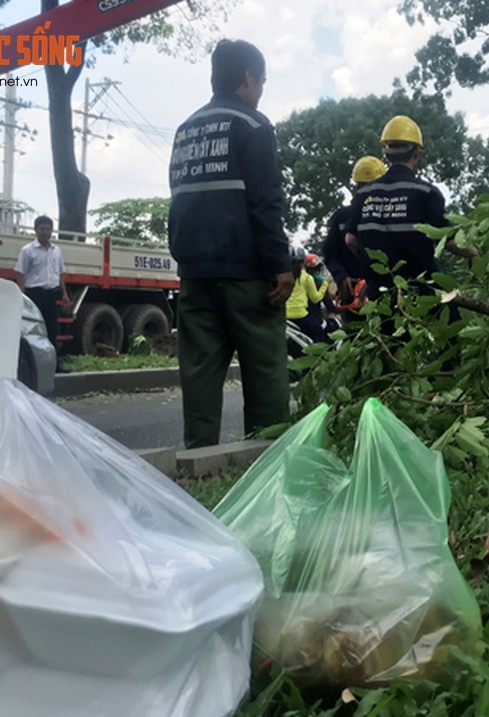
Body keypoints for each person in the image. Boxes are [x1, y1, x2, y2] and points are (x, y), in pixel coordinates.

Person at [168, 39, 293, 449]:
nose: (261, 90)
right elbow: (264, 202)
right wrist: (280, 263)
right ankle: (266, 459)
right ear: (247, 78)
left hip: (195, 272)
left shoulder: (185, 129)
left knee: (200, 371)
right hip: (246, 272)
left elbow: (179, 196)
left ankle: (198, 461)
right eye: (262, 81)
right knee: (265, 371)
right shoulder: (254, 127)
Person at [345, 116, 477, 308]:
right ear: (416, 152)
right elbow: (447, 240)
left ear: (387, 154)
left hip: (379, 296)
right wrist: (473, 253)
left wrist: (370, 261)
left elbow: (350, 239)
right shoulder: (425, 193)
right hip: (421, 293)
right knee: (450, 329)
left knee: (386, 337)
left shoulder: (364, 193)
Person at [324, 155, 386, 323]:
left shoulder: (386, 214)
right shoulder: (342, 216)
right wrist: (341, 276)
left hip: (381, 290)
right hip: (351, 293)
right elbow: (330, 253)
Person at [13, 216, 70, 348]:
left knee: (52, 328)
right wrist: (22, 295)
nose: (45, 232)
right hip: (35, 294)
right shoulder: (28, 250)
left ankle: (55, 361)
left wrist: (64, 293)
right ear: (36, 230)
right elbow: (20, 273)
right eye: (42, 229)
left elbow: (60, 273)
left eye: (48, 229)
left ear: (52, 231)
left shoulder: (56, 251)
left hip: (52, 295)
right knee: (35, 327)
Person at [286, 253, 328, 343]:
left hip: (285, 315)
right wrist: (325, 285)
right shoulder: (307, 278)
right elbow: (315, 298)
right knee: (319, 333)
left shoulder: (286, 276)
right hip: (301, 315)